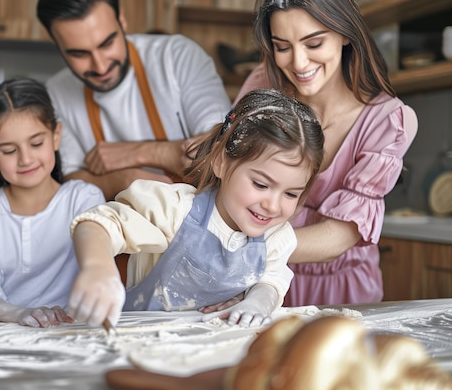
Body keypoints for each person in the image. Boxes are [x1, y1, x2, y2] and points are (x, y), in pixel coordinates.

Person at [228, 0, 418, 306]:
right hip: (258, 279)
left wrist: (241, 250)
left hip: (341, 288)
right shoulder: (264, 83)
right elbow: (228, 169)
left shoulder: (388, 120)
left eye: (314, 43)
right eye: (282, 47)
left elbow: (339, 235)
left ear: (345, 34)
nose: (298, 63)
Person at [66, 89, 325, 328]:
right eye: (260, 184)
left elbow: (271, 281)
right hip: (140, 343)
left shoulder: (275, 236)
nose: (272, 205)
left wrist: (258, 302)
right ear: (221, 163)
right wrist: (97, 268)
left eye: (291, 193)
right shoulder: (174, 209)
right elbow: (98, 225)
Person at [36, 0, 231, 200]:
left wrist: (135, 153)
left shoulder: (177, 56)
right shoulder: (56, 92)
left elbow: (218, 148)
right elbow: (72, 180)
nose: (100, 66)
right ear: (58, 45)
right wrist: (125, 180)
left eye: (107, 43)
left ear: (122, 20)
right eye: (79, 53)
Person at [0, 78, 105, 327]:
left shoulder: (83, 198)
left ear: (55, 136)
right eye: (9, 151)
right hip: (7, 334)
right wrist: (20, 314)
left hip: (76, 333)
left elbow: (94, 251)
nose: (26, 159)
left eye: (36, 143)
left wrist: (98, 269)